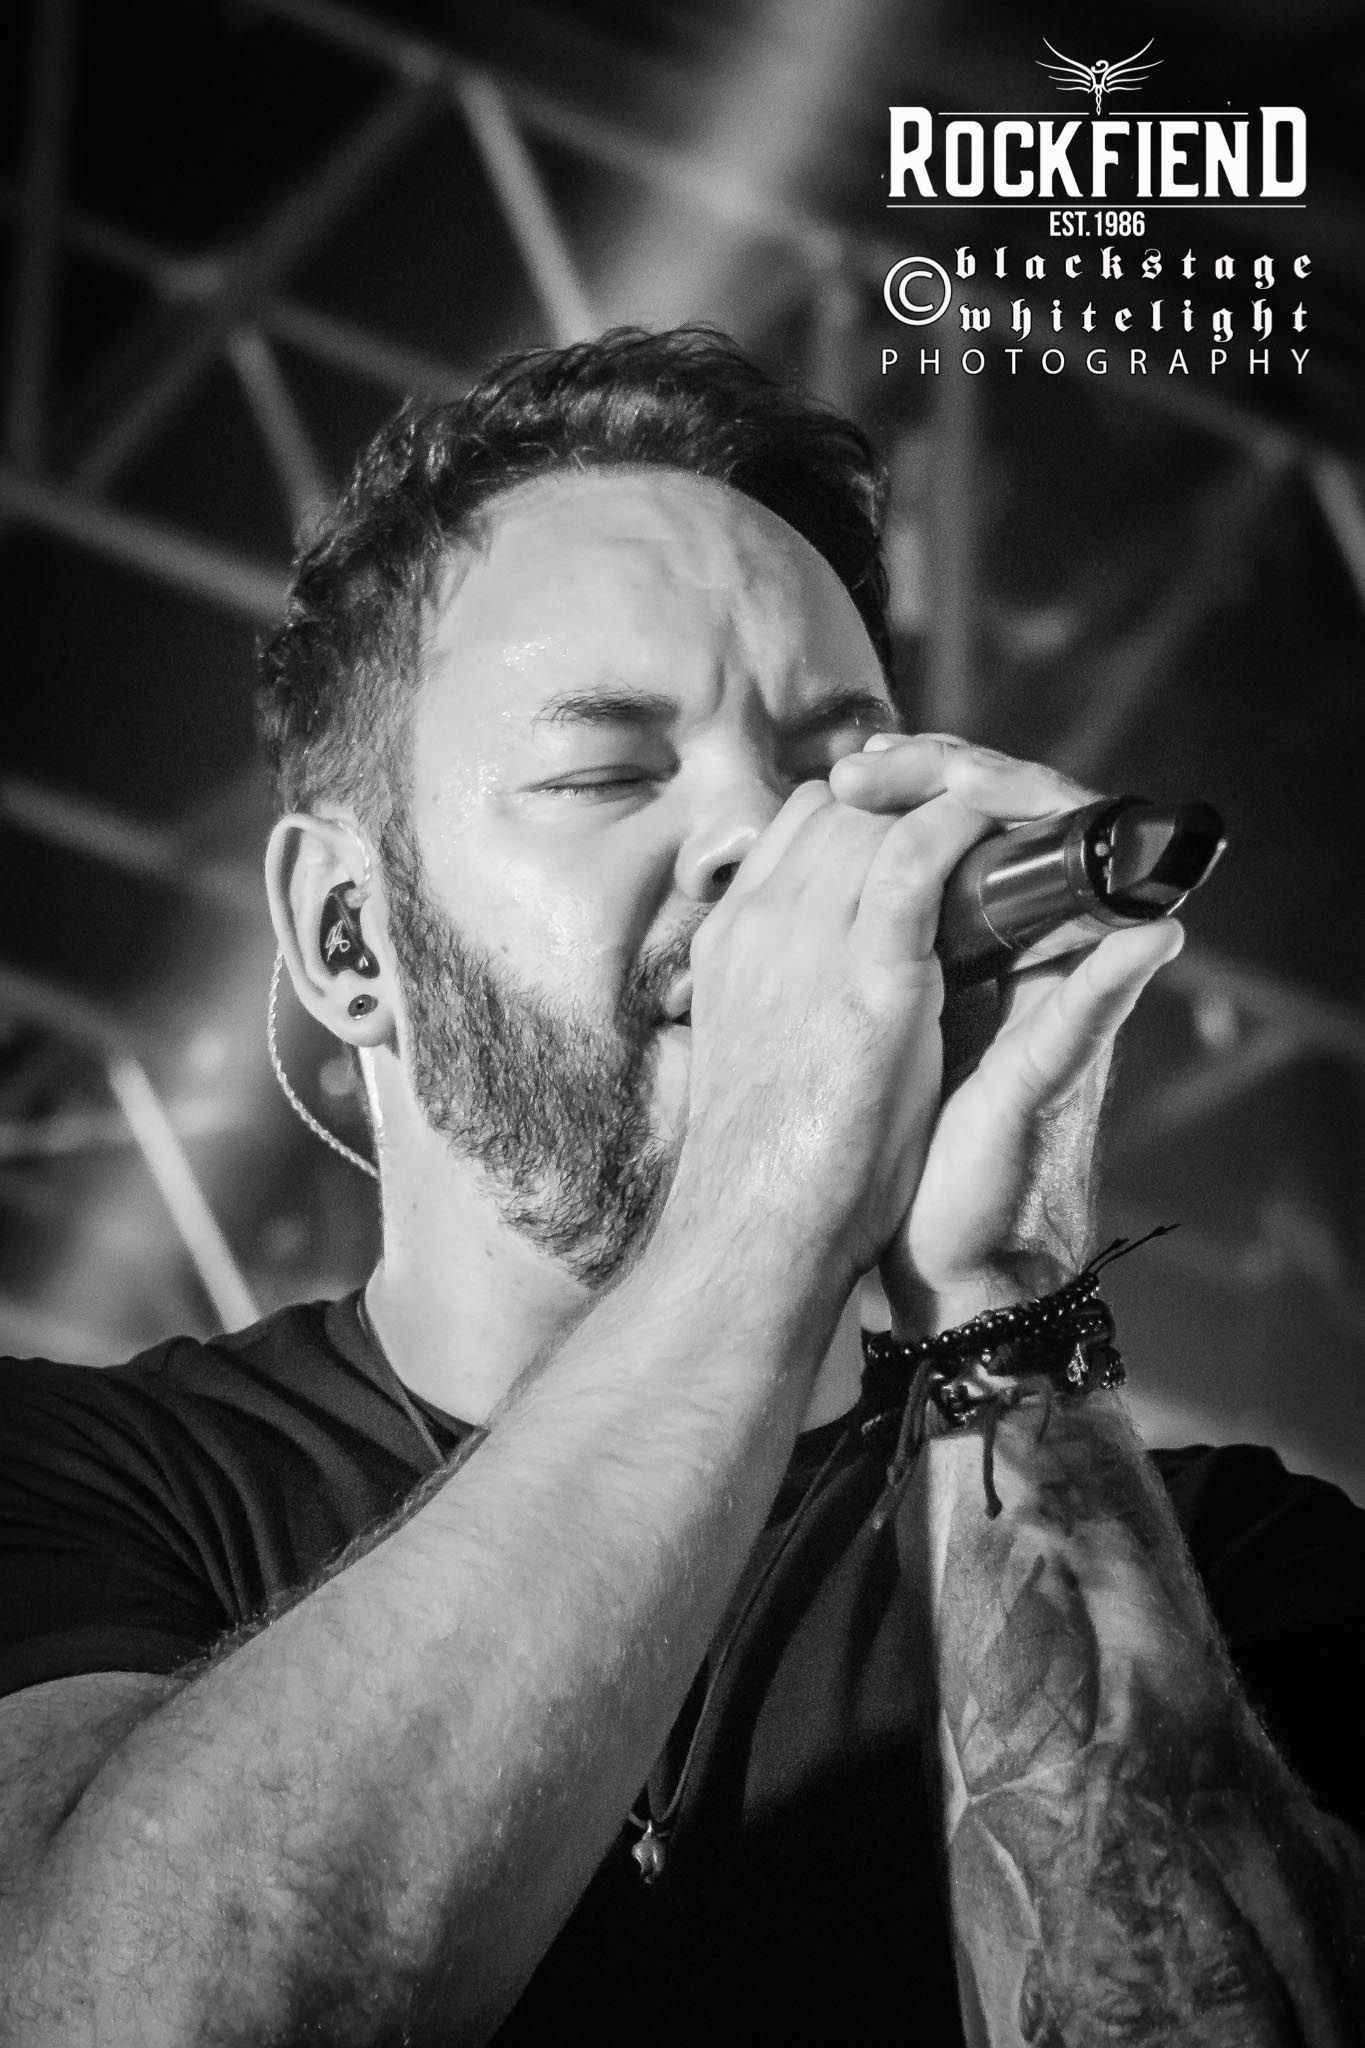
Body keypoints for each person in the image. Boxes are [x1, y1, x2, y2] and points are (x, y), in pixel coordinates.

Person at [0, 327, 1361, 2048]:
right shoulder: (74, 1483)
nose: (763, 842)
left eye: (831, 774)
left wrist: (1000, 1285)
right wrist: (767, 1200)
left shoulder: (1220, 1570)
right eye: (607, 773)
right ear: (347, 936)